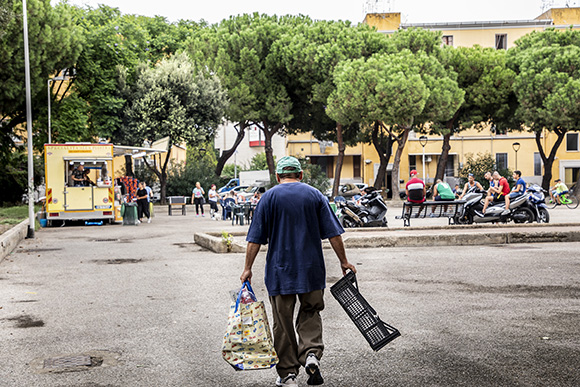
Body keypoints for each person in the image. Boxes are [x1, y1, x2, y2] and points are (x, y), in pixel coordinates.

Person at [240, 156, 356, 387]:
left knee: (282, 322)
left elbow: (255, 239)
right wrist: (344, 261)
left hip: (279, 271)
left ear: (278, 176)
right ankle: (311, 353)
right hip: (311, 270)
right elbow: (334, 233)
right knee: (310, 312)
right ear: (300, 175)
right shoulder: (315, 195)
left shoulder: (268, 198)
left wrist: (247, 268)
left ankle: (288, 374)